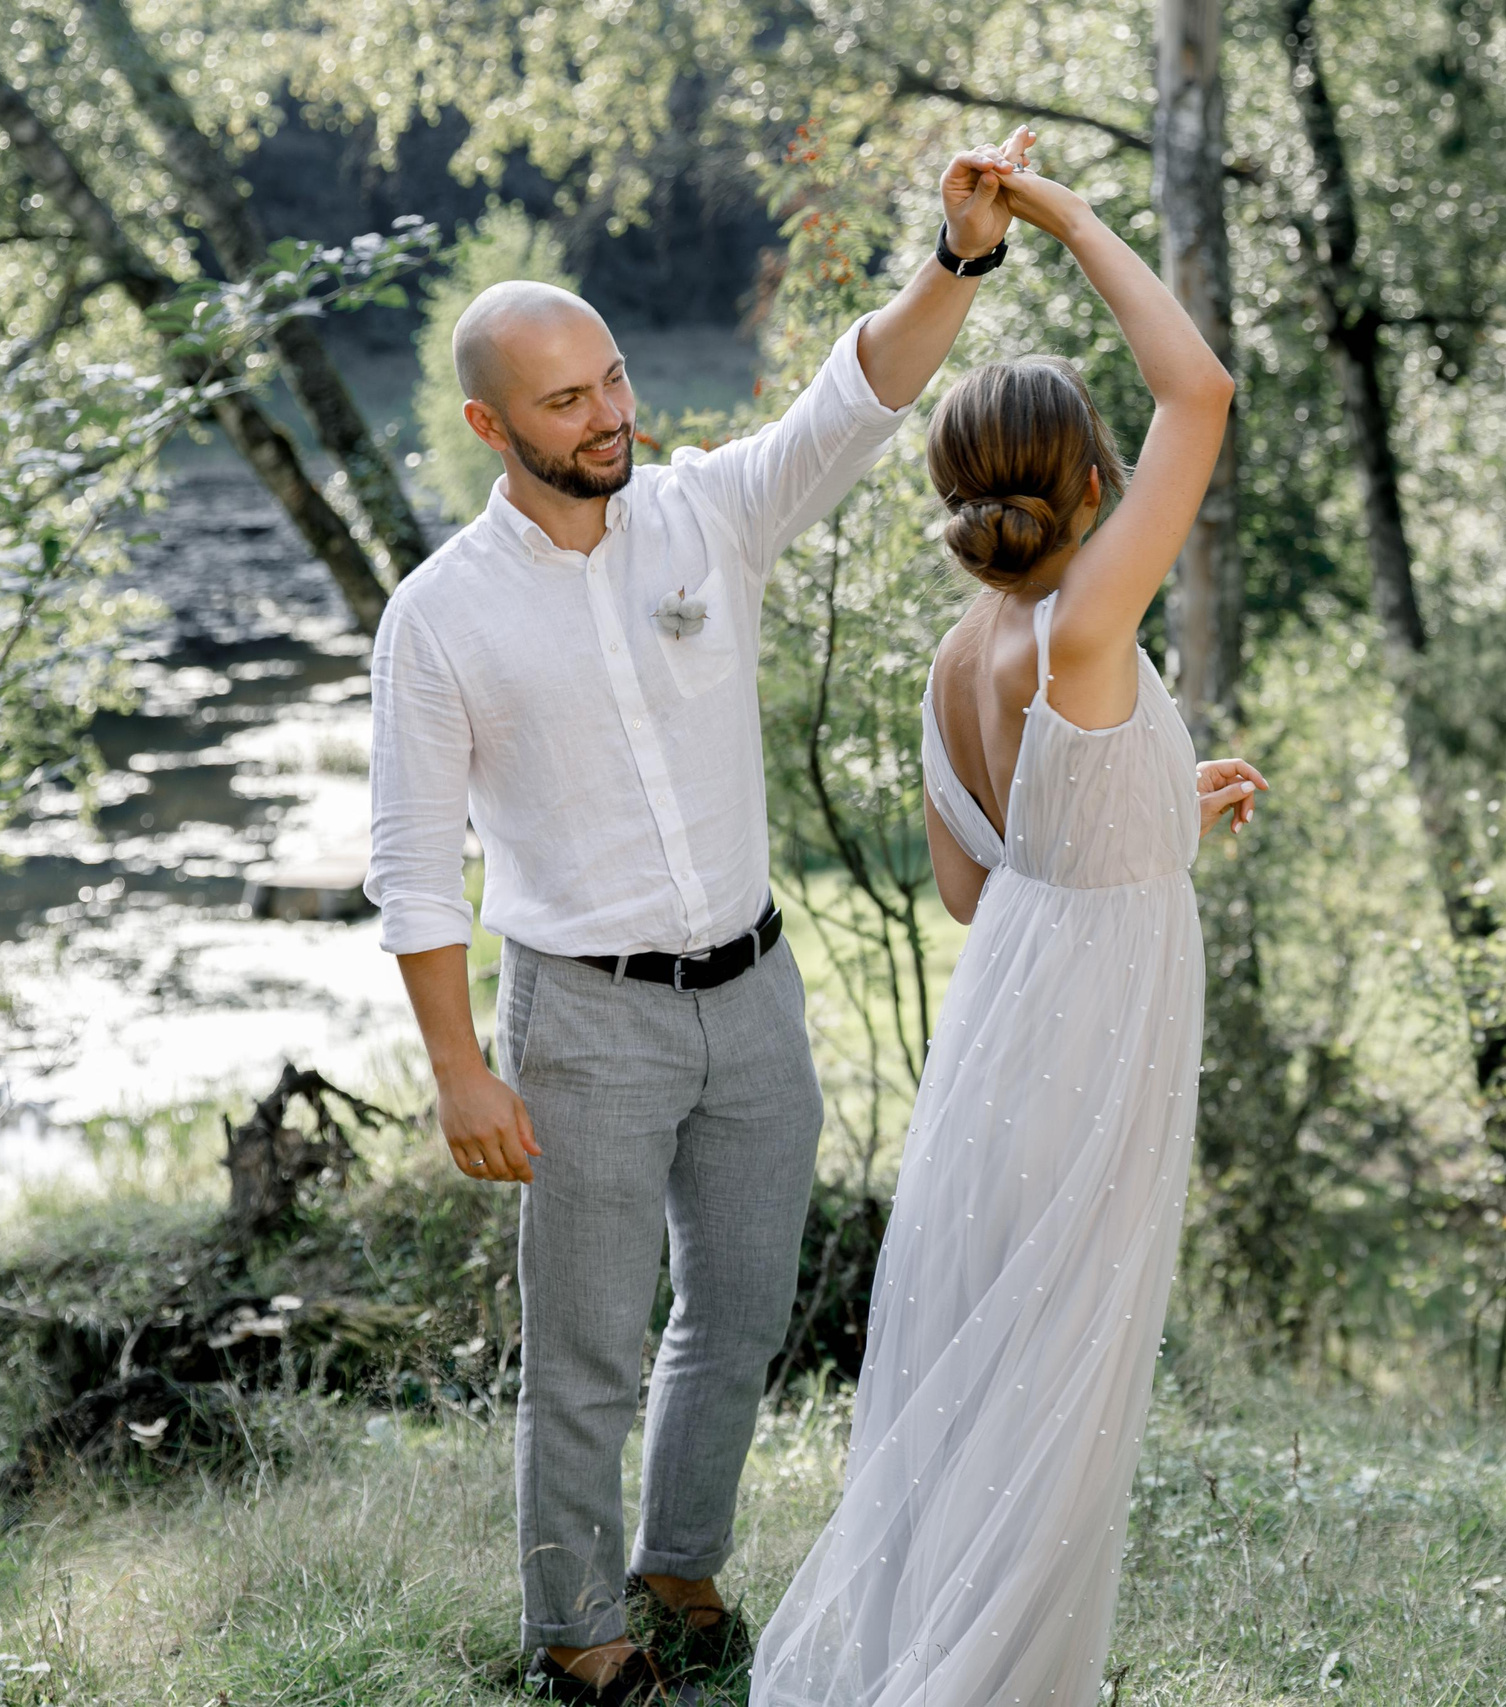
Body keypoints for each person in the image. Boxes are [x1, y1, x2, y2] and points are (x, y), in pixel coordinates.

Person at [364, 134, 1041, 1704]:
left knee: (735, 1322)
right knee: (588, 1357)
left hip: (753, 997)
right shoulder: (441, 618)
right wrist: (463, 1069)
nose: (608, 414)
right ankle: (580, 1636)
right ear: (489, 425)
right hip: (579, 1021)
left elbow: (857, 395)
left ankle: (680, 1568)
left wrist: (956, 259)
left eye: (610, 380)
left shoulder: (704, 516)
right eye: (566, 400)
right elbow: (412, 865)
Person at [752, 156, 1265, 1706]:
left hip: (1008, 1023)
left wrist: (1156, 815)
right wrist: (1071, 220)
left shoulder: (957, 658)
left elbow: (981, 882)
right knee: (1064, 1369)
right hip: (1101, 1025)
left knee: (991, 1359)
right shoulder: (1089, 624)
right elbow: (1205, 393)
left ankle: (939, 1648)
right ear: (1094, 487)